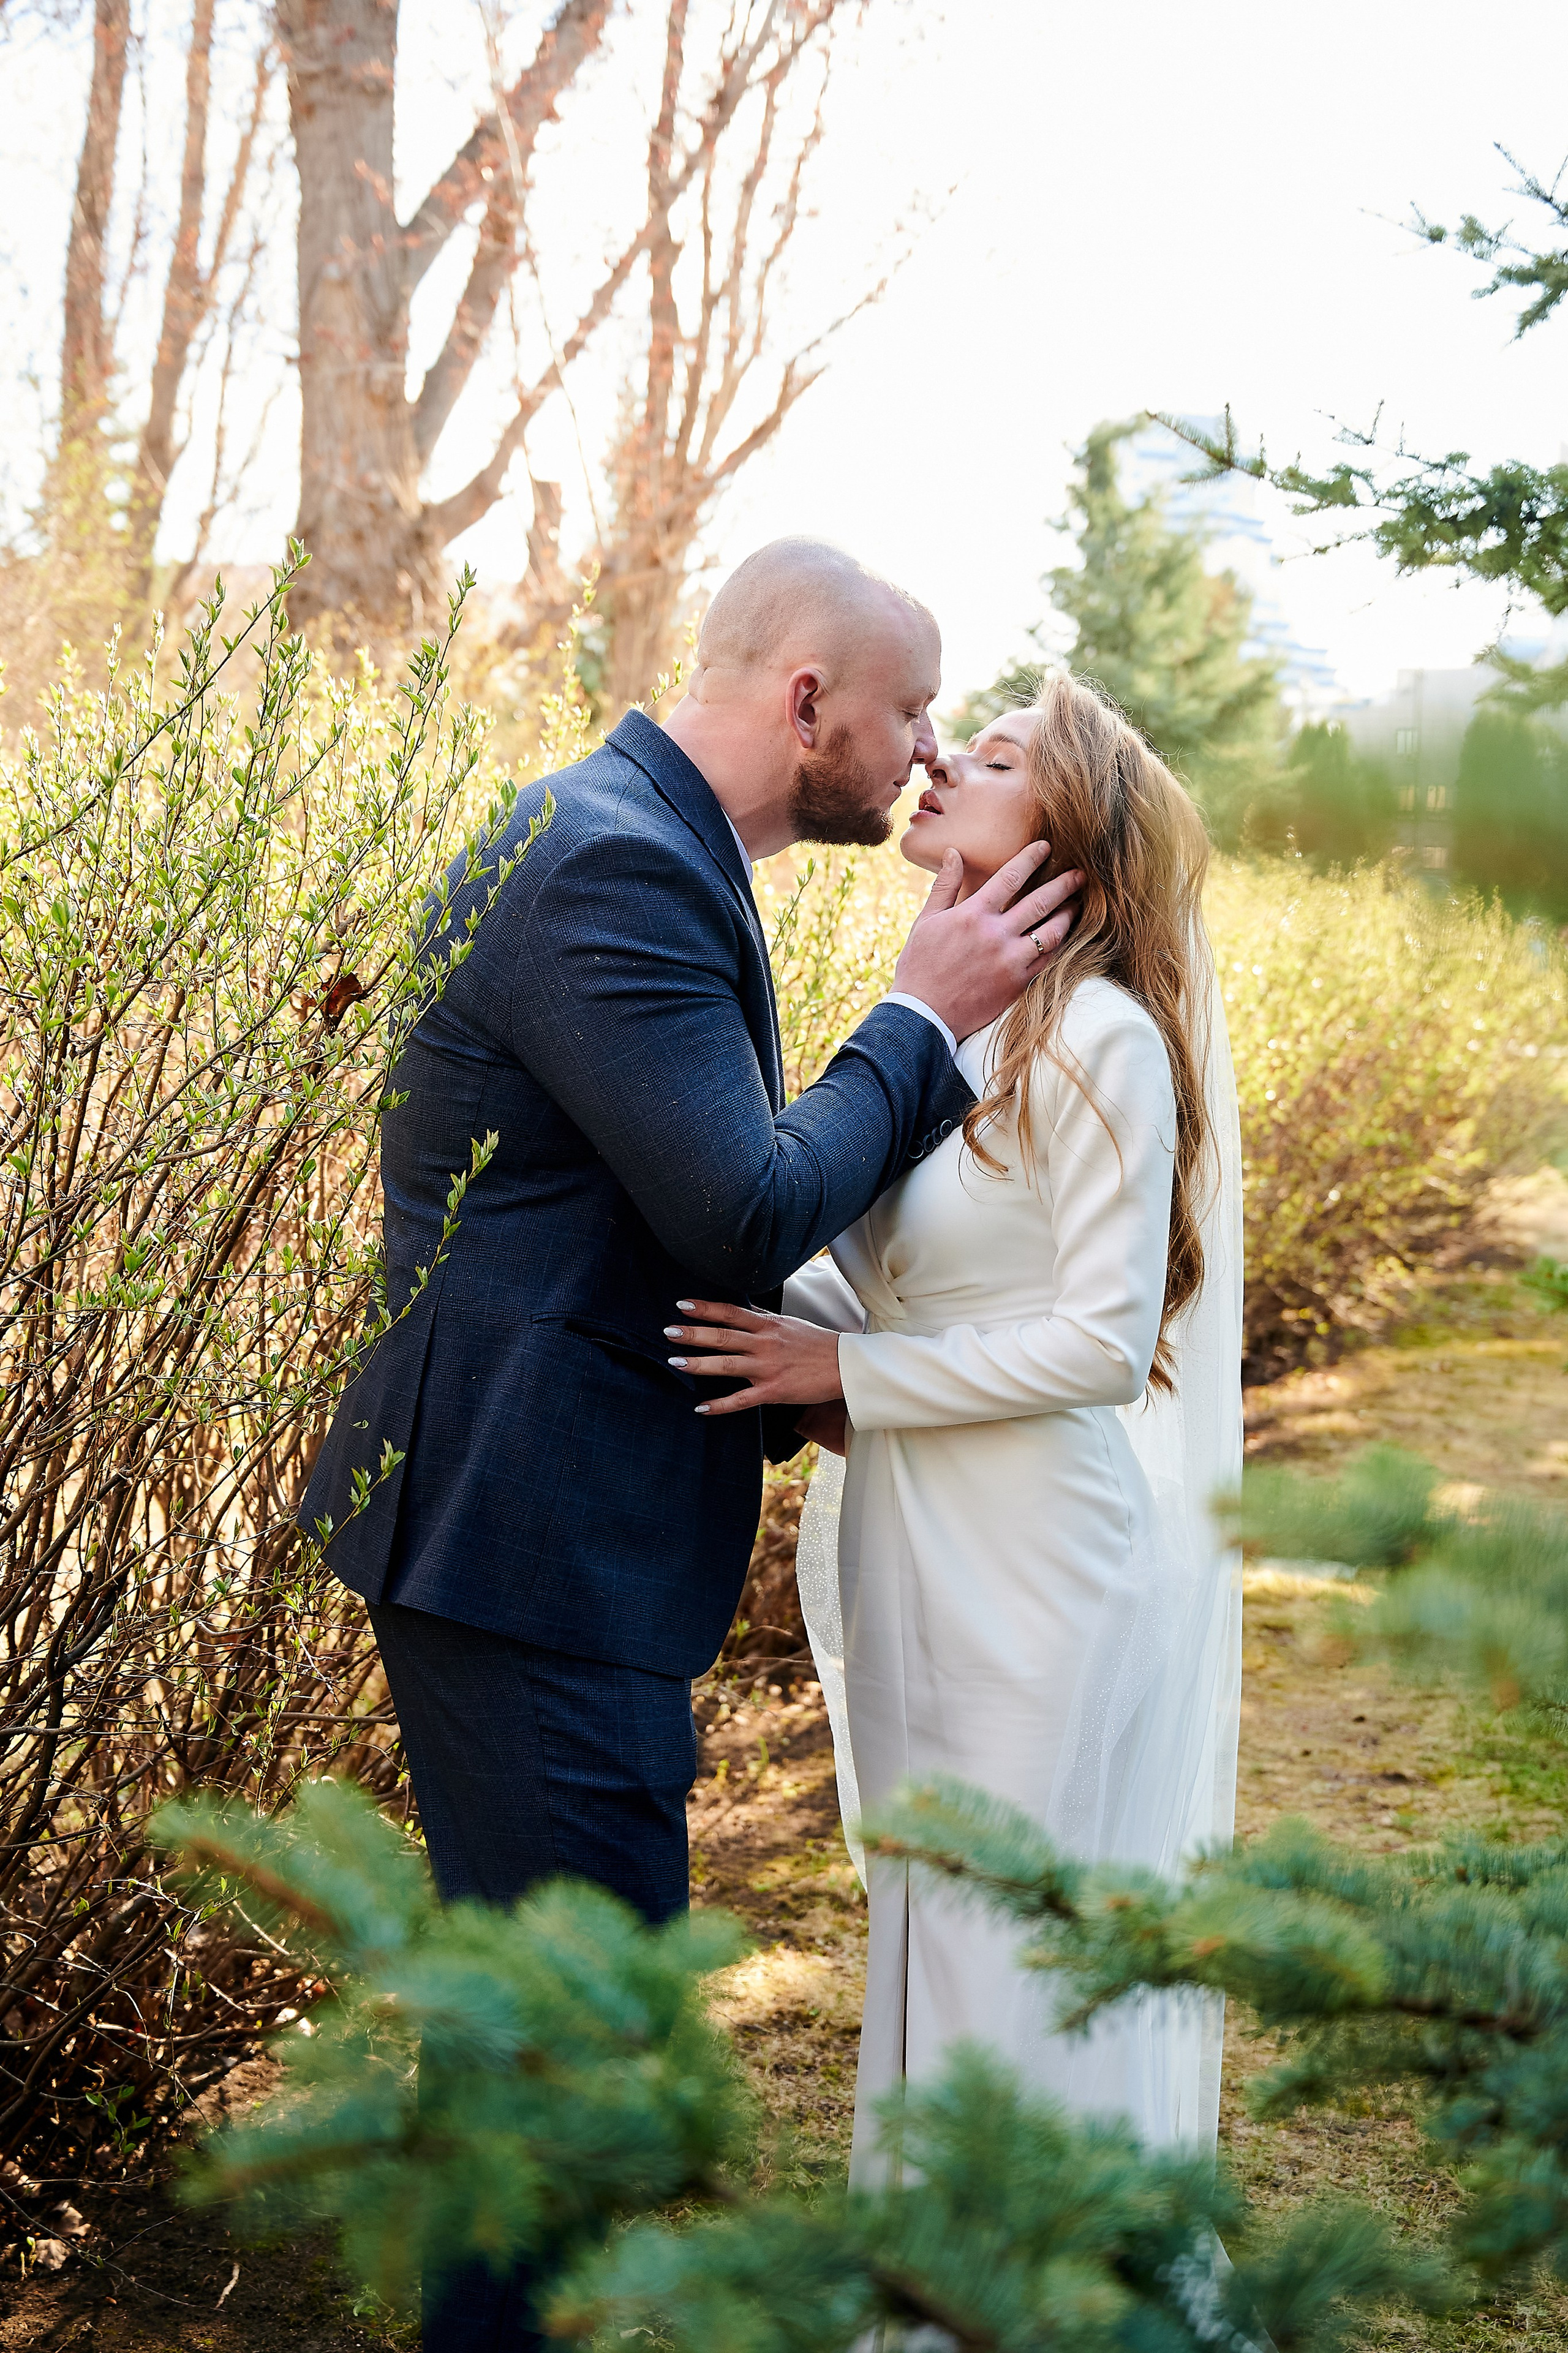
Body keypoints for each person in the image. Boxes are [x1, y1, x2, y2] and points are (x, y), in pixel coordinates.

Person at [300, 538, 1080, 2349]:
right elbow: (733, 1205)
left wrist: (828, 1364)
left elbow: (636, 1215)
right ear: (809, 698)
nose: (922, 751)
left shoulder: (633, 841)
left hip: (537, 1533)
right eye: (906, 712)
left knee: (539, 2048)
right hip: (527, 1547)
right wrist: (924, 1017)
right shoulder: (615, 867)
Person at [668, 670, 1244, 2172]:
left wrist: (839, 1376)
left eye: (990, 758)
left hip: (1040, 1568)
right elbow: (893, 1276)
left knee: (1006, 1958)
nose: (936, 762)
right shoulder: (955, 1040)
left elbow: (1101, 1345)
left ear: (1066, 840)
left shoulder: (1103, 1039)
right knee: (926, 1944)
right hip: (914, 1545)